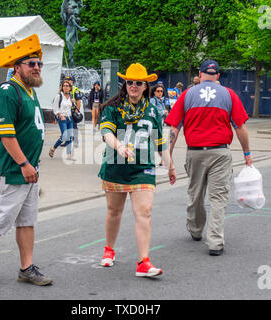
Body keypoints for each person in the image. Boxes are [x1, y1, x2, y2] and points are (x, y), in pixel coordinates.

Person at [0, 34, 52, 286]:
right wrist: (24, 164)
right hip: (12, 168)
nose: (37, 67)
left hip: (29, 169)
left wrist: (32, 165)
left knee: (27, 220)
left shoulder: (29, 89)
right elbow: (6, 134)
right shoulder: (8, 90)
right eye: (31, 63)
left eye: (39, 63)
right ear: (17, 67)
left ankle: (26, 267)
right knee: (3, 219)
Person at [165, 59, 252, 256]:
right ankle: (215, 242)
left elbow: (173, 128)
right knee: (218, 197)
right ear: (218, 76)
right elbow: (240, 127)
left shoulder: (187, 95)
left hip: (194, 152)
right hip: (220, 152)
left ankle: (196, 229)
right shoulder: (229, 94)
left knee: (195, 194)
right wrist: (247, 154)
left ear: (200, 74)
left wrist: (168, 156)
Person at [98, 63, 177, 277]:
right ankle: (109, 249)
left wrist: (169, 165)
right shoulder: (113, 107)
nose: (133, 86)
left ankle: (143, 262)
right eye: (130, 82)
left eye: (138, 83)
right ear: (125, 84)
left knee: (144, 211)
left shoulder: (152, 109)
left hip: (143, 168)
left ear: (145, 86)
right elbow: (106, 133)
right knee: (115, 211)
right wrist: (119, 146)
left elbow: (160, 142)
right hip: (116, 166)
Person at [49, 79, 75, 160]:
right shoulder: (59, 96)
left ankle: (68, 155)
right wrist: (60, 115)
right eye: (64, 86)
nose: (65, 87)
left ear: (70, 88)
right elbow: (54, 107)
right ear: (62, 87)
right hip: (62, 118)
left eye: (67, 86)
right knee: (64, 136)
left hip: (69, 118)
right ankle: (53, 148)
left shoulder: (71, 96)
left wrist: (73, 103)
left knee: (69, 136)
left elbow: (71, 108)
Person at [64, 76, 81, 154]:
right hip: (65, 111)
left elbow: (78, 101)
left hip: (72, 111)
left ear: (72, 81)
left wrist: (77, 111)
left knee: (74, 126)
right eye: (66, 80)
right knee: (66, 127)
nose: (68, 82)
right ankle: (67, 141)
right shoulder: (64, 89)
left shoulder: (75, 90)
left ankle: (76, 141)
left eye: (69, 80)